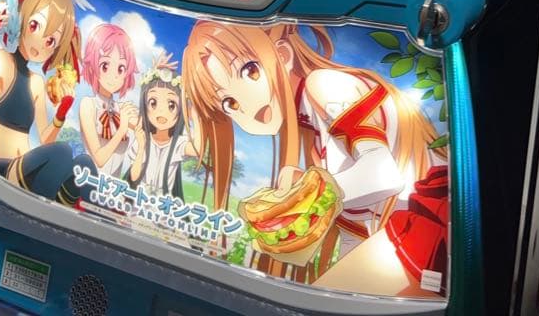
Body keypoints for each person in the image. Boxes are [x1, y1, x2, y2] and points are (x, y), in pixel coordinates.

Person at [182, 21, 447, 287]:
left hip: (430, 224)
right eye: (229, 102)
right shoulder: (310, 124)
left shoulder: (324, 84)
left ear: (283, 55)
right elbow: (356, 221)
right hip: (398, 230)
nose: (248, 105)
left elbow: (384, 175)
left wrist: (302, 197)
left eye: (250, 71)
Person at [0, 0, 94, 206]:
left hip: (28, 171)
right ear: (21, 18)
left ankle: (84, 217)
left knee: (84, 166)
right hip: (4, 169)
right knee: (63, 153)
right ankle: (45, 210)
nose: (40, 42)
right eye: (35, 26)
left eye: (51, 40)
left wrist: (61, 112)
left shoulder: (36, 82)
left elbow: (45, 138)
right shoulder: (5, 61)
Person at [128, 54, 196, 197]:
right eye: (153, 103)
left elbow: (198, 149)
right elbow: (133, 177)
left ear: (181, 110)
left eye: (171, 105)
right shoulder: (143, 138)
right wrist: (141, 147)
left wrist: (194, 114)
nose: (161, 111)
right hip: (138, 202)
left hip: (163, 206)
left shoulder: (177, 144)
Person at [79, 23, 139, 176]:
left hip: (113, 189)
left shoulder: (123, 109)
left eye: (121, 68)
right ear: (93, 65)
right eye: (105, 65)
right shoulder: (88, 105)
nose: (113, 76)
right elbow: (99, 159)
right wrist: (122, 128)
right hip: (88, 183)